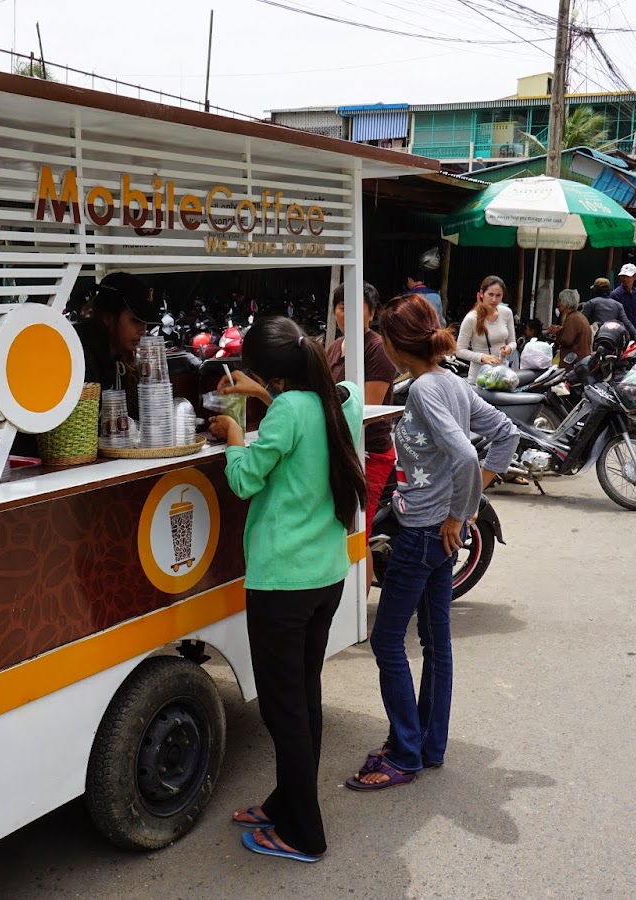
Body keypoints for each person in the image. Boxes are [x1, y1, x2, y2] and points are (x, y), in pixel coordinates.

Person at [210, 316, 365, 864]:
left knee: (283, 711)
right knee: (304, 695)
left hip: (283, 582)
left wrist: (232, 436)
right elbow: (300, 414)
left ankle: (304, 832)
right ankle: (286, 801)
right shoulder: (337, 398)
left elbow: (245, 479)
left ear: (271, 375)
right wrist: (263, 393)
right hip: (324, 575)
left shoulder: (288, 414)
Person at [346, 293, 517, 791]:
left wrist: (459, 512)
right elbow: (503, 434)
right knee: (435, 640)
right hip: (439, 534)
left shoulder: (423, 390)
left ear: (399, 344)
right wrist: (460, 514)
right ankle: (428, 744)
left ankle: (403, 754)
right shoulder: (451, 382)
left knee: (386, 640)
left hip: (423, 532)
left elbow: (466, 455)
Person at [326, 283, 397, 538]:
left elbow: (364, 413)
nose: (348, 315)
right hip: (340, 448)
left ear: (371, 314)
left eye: (357, 309)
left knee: (357, 534)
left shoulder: (377, 348)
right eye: (343, 308)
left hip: (370, 451)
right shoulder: (335, 347)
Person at [75, 272, 154, 398]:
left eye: (145, 323)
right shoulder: (79, 354)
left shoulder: (121, 358)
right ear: (108, 318)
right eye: (136, 321)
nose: (143, 330)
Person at [455, 276, 517, 383]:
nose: (494, 299)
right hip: (479, 378)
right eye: (490, 294)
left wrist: (509, 349)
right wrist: (482, 357)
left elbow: (512, 341)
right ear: (482, 294)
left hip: (502, 375)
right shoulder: (471, 318)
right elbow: (459, 351)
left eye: (498, 295)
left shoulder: (507, 313)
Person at [550, 289, 592, 361]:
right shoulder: (577, 316)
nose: (558, 304)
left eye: (560, 301)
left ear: (566, 303)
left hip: (574, 362)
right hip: (581, 360)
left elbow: (566, 341)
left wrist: (557, 332)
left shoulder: (573, 319)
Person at [611, 263, 636, 335]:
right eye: (623, 276)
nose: (625, 279)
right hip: (622, 332)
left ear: (635, 277)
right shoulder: (616, 294)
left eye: (628, 277)